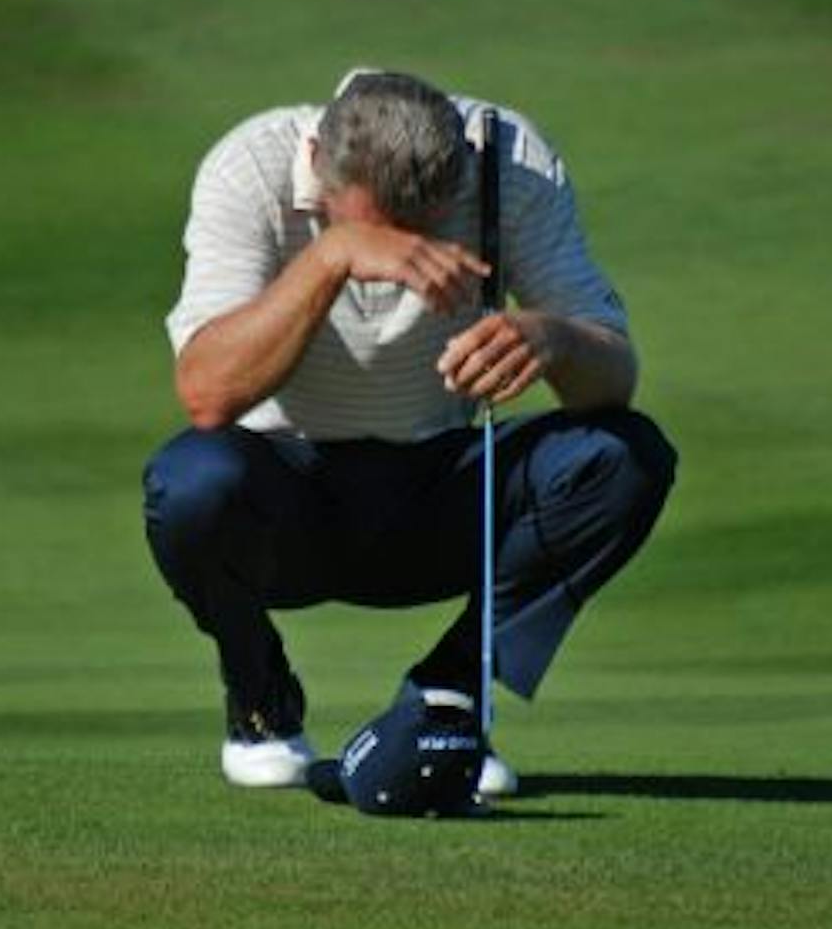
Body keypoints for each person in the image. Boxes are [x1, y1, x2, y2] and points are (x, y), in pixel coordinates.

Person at [142, 69, 676, 795]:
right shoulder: (252, 166)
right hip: (285, 498)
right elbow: (206, 391)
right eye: (374, 227)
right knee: (191, 483)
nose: (404, 259)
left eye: (425, 229)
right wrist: (333, 257)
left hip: (441, 490)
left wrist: (555, 339)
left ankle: (447, 700)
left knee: (626, 458)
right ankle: (260, 698)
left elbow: (615, 377)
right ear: (317, 166)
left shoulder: (507, 162)